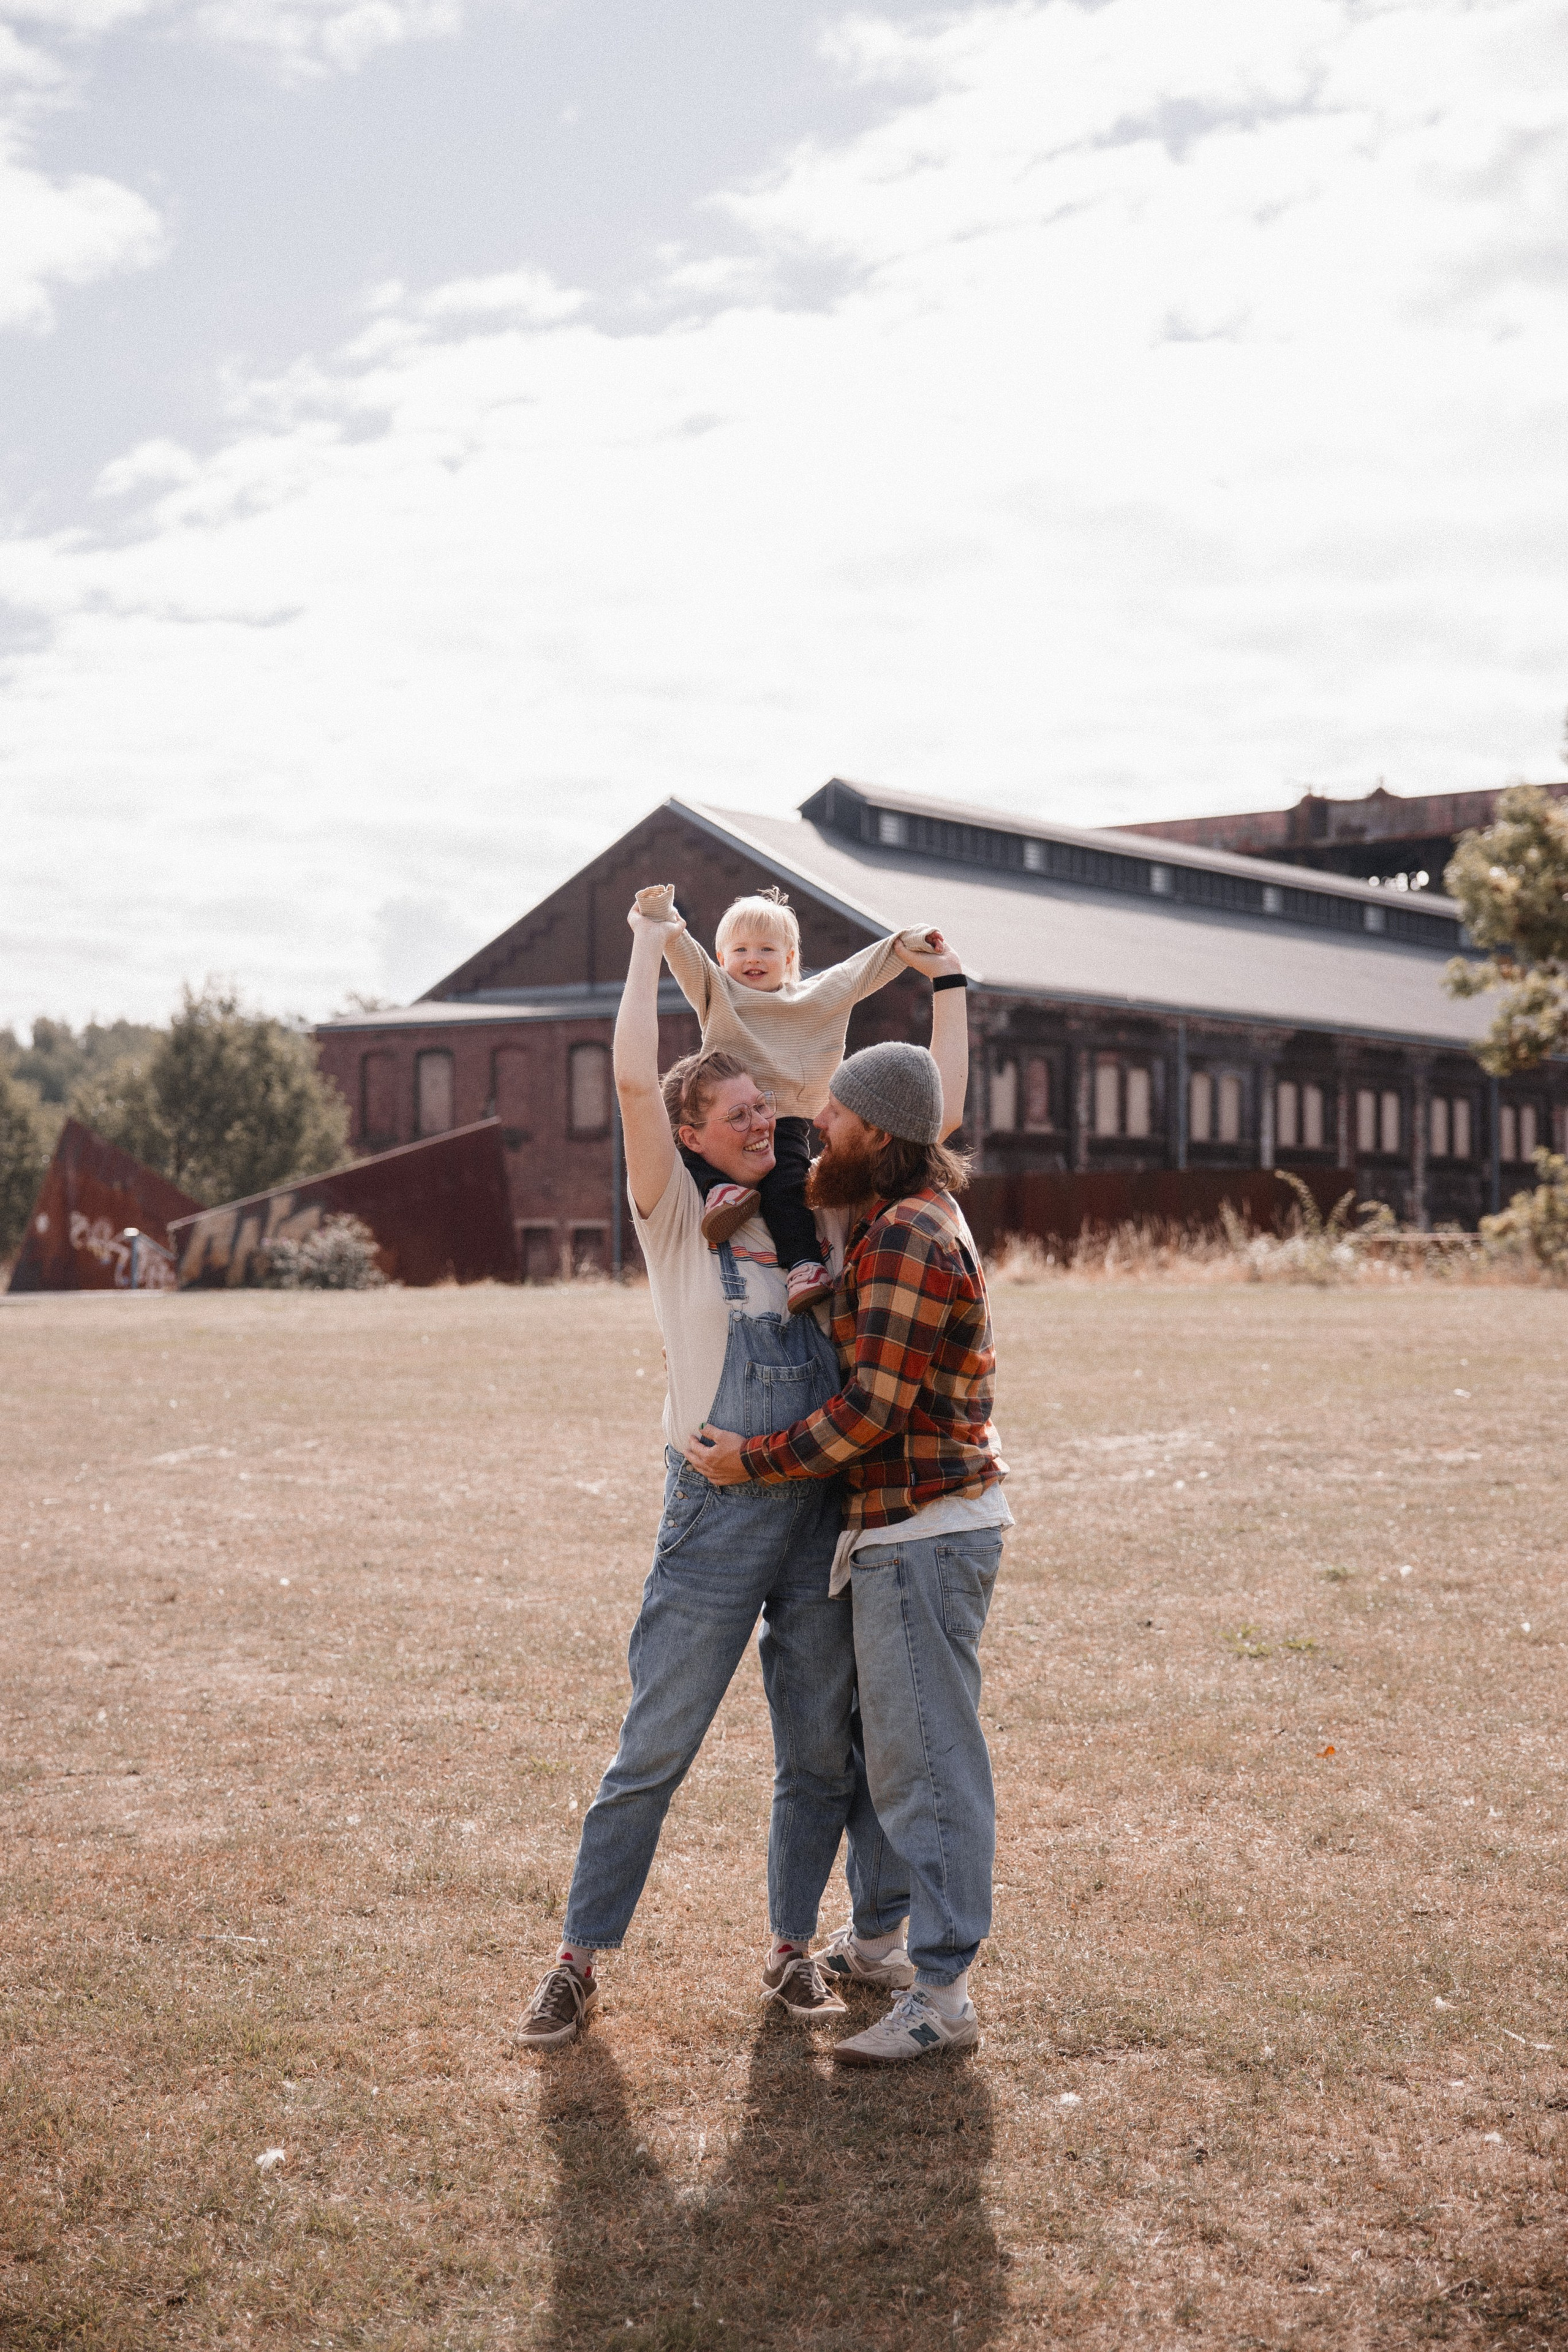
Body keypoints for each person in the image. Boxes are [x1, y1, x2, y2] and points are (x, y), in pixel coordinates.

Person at [516, 899, 966, 2051]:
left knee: (817, 1753)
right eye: (742, 1111)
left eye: (771, 1104)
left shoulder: (824, 1213)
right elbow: (628, 1080)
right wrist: (639, 945)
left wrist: (948, 992)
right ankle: (576, 1957)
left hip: (818, 1511)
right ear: (694, 1136)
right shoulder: (674, 1217)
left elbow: (938, 1117)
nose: (770, 1119)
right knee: (654, 1747)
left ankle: (787, 1954)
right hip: (714, 1515)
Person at [684, 1017, 1011, 2068]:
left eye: (831, 1111)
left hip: (922, 1530)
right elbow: (877, 1369)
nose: (810, 1123)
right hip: (891, 1530)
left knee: (930, 1761)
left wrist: (753, 1459)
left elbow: (871, 1414)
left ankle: (944, 1988)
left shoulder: (914, 1230)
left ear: (874, 1127)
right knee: (886, 1751)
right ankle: (880, 1941)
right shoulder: (892, 1223)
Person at [633, 881, 935, 1316]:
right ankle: (720, 1191)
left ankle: (805, 1268)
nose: (752, 959)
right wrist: (660, 912)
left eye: (766, 950)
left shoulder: (816, 997)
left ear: (790, 959)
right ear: (722, 959)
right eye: (739, 951)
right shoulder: (718, 990)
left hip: (786, 1117)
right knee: (686, 1147)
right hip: (722, 1113)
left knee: (786, 1189)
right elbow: (684, 955)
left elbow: (861, 971)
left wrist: (909, 942)